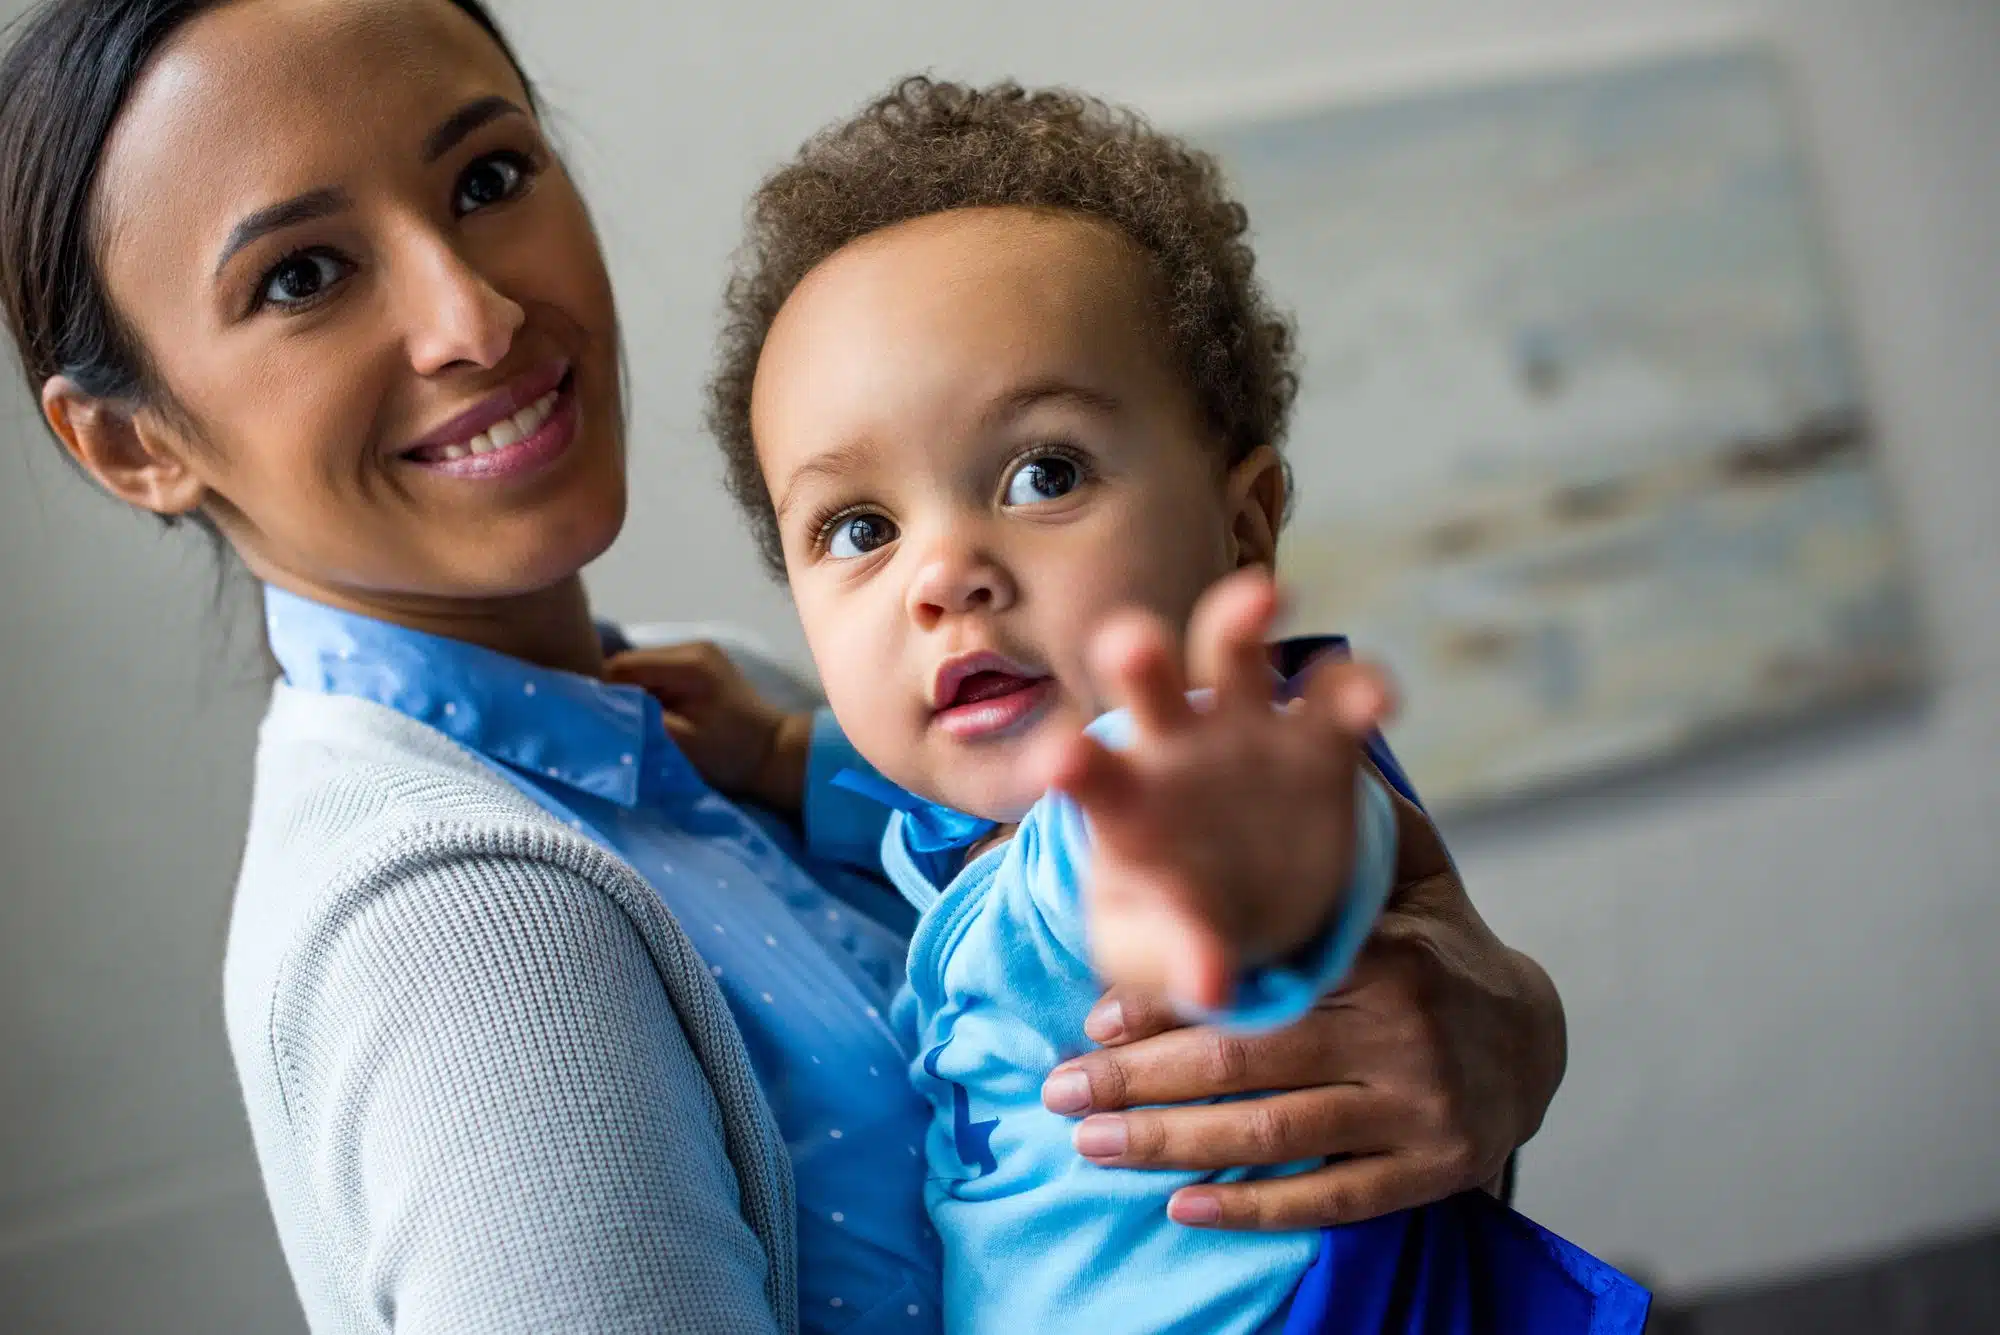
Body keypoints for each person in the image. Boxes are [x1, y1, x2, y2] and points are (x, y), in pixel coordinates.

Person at [0, 3, 1570, 1331]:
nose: (470, 313)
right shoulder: (457, 923)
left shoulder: (747, 709)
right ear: (131, 441)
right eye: (300, 277)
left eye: (487, 176)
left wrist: (1484, 1031)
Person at [658, 77, 1648, 1335]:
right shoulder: (975, 822)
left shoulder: (1161, 775)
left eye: (1041, 472)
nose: (943, 572)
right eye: (859, 527)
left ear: (1241, 531)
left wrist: (1238, 904)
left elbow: (1209, 868)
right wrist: (775, 747)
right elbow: (905, 815)